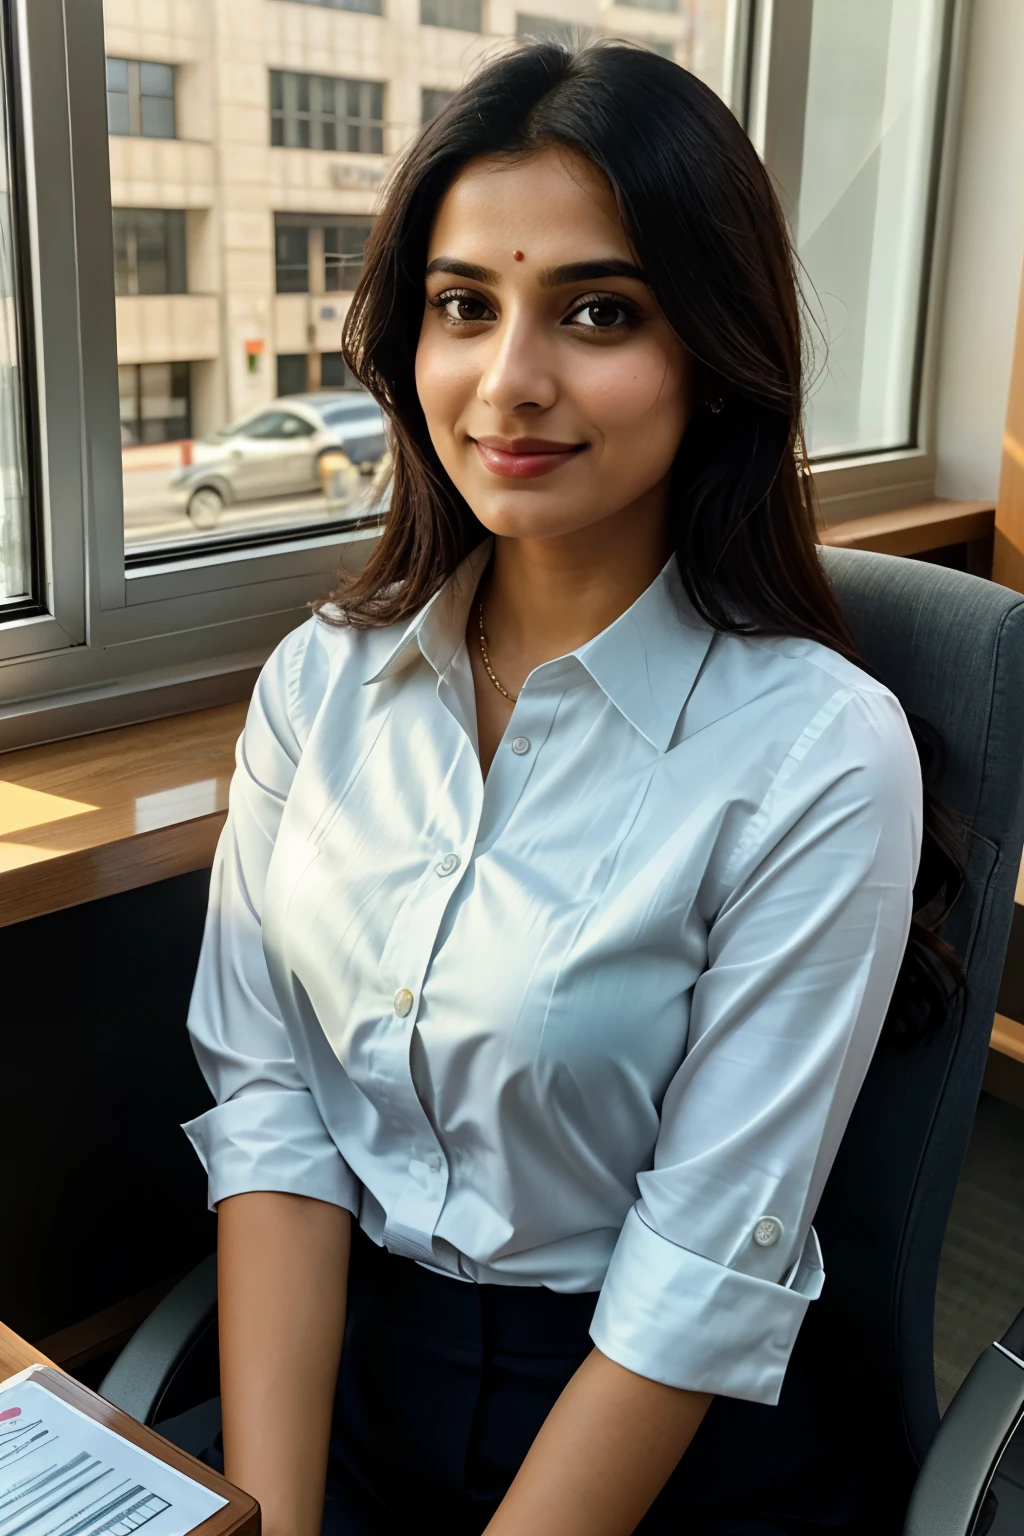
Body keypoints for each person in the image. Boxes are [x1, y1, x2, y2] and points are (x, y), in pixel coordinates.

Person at [181, 40, 960, 1536]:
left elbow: (696, 1274)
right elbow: (277, 1116)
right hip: (347, 1375)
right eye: (465, 306)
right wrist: (261, 1520)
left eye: (600, 312)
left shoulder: (818, 754)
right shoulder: (320, 686)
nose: (512, 380)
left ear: (714, 354)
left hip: (651, 1434)